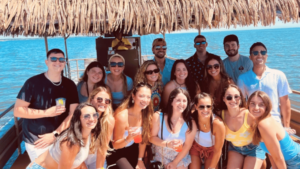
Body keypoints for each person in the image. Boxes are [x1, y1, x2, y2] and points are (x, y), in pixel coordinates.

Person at [14, 49, 79, 162]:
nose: (57, 61)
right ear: (46, 62)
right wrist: (46, 112)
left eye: (61, 59)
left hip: (61, 137)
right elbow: (18, 111)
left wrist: (55, 134)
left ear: (65, 63)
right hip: (38, 141)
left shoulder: (70, 84)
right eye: (53, 58)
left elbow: (73, 114)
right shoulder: (32, 83)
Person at [26, 103, 99, 169]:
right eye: (87, 116)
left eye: (95, 115)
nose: (92, 119)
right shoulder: (72, 142)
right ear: (78, 119)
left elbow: (78, 161)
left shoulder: (88, 133)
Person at [237, 42, 292, 128]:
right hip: (253, 124)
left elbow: (285, 102)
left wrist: (287, 127)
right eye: (255, 53)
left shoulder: (278, 75)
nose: (259, 55)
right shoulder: (242, 78)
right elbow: (242, 104)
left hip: (274, 122)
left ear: (266, 56)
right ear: (250, 57)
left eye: (263, 52)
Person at [106, 82, 154, 169]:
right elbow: (115, 145)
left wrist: (140, 159)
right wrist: (128, 138)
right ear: (133, 96)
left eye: (148, 97)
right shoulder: (122, 116)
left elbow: (143, 141)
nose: (145, 100)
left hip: (134, 150)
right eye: (141, 96)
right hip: (118, 151)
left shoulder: (147, 115)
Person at [248, 91, 300, 169]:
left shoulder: (264, 124)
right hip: (286, 160)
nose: (256, 108)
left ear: (267, 107)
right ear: (248, 105)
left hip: (295, 161)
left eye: (261, 104)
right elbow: (271, 151)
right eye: (252, 103)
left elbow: (278, 157)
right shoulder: (257, 121)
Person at [150, 88, 197, 169]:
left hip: (179, 158)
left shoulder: (190, 123)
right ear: (171, 102)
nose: (181, 104)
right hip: (161, 157)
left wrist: (174, 163)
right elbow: (151, 138)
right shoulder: (158, 116)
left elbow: (187, 146)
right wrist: (167, 144)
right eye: (178, 100)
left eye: (184, 101)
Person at [221, 84, 265, 169]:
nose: (233, 100)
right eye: (229, 97)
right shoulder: (221, 115)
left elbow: (264, 128)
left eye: (236, 96)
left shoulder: (248, 115)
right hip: (235, 148)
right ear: (224, 99)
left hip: (253, 148)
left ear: (240, 98)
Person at [189, 92, 225, 169]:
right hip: (196, 147)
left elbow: (218, 150)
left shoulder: (218, 124)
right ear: (196, 107)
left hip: (212, 150)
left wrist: (211, 167)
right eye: (201, 106)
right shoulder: (192, 119)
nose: (205, 109)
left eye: (208, 106)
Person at [84, 86, 115, 169]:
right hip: (78, 158)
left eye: (107, 101)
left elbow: (102, 149)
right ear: (91, 100)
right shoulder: (82, 116)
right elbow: (75, 150)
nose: (103, 102)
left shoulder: (109, 121)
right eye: (99, 99)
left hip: (95, 158)